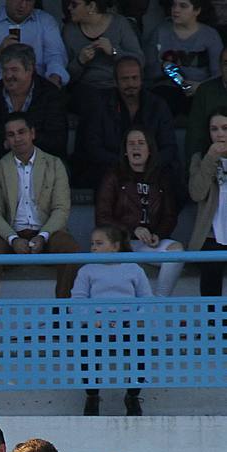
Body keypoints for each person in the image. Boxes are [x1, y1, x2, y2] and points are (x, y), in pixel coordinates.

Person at [0, 112, 79, 300]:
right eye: (11, 134)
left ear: (32, 133)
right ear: (6, 140)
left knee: (71, 251)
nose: (17, 138)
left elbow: (61, 209)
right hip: (11, 231)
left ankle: (63, 313)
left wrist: (43, 235)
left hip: (48, 232)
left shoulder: (54, 164)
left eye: (21, 132)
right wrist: (13, 239)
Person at [0, 44, 68, 208]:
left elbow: (58, 141)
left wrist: (26, 144)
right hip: (1, 159)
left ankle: (42, 221)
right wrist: (7, 144)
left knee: (59, 170)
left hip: (40, 161)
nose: (8, 76)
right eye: (5, 70)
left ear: (30, 70)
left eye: (14, 70)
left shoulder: (50, 95)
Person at [71, 225, 151, 416]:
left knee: (140, 354)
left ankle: (132, 395)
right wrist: (93, 319)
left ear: (115, 246)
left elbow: (147, 299)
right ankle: (92, 395)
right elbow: (78, 300)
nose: (93, 247)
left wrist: (135, 319)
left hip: (128, 323)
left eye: (99, 243)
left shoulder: (133, 269)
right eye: (92, 244)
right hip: (97, 323)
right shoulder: (87, 270)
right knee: (88, 354)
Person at [95, 128, 184, 297]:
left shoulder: (161, 177)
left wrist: (158, 234)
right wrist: (132, 230)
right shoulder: (114, 176)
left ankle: (158, 303)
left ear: (150, 150)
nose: (136, 147)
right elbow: (102, 217)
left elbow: (170, 215)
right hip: (121, 242)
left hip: (148, 243)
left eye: (141, 143)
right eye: (131, 144)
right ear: (125, 151)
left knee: (177, 251)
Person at [75, 56, 180, 191]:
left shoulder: (157, 105)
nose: (130, 84)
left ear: (141, 79)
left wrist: (146, 165)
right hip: (111, 167)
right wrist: (126, 165)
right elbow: (93, 148)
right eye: (125, 79)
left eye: (134, 78)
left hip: (150, 168)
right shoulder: (100, 106)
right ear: (115, 81)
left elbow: (169, 147)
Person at [0, 0, 69, 87]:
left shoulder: (45, 21)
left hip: (36, 90)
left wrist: (54, 78)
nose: (22, 5)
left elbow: (55, 55)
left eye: (29, 1)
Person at [145, 0, 223, 116]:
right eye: (174, 4)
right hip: (167, 88)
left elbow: (219, 73)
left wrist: (200, 87)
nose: (176, 10)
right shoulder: (160, 32)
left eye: (183, 6)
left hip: (200, 88)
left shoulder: (210, 35)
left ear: (196, 10)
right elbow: (148, 71)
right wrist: (162, 67)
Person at [63, 0, 144, 111]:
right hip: (87, 88)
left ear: (91, 6)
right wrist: (80, 61)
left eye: (74, 4)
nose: (69, 8)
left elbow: (140, 61)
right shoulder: (69, 31)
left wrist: (113, 52)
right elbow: (66, 76)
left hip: (119, 85)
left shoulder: (119, 23)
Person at [188, 107, 227, 295]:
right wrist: (210, 158)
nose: (220, 134)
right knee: (210, 286)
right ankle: (212, 315)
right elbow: (197, 193)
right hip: (212, 233)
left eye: (225, 128)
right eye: (214, 129)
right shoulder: (200, 158)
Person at [185, 46, 227, 165]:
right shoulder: (206, 92)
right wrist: (194, 169)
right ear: (220, 67)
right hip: (212, 163)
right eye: (226, 63)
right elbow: (194, 138)